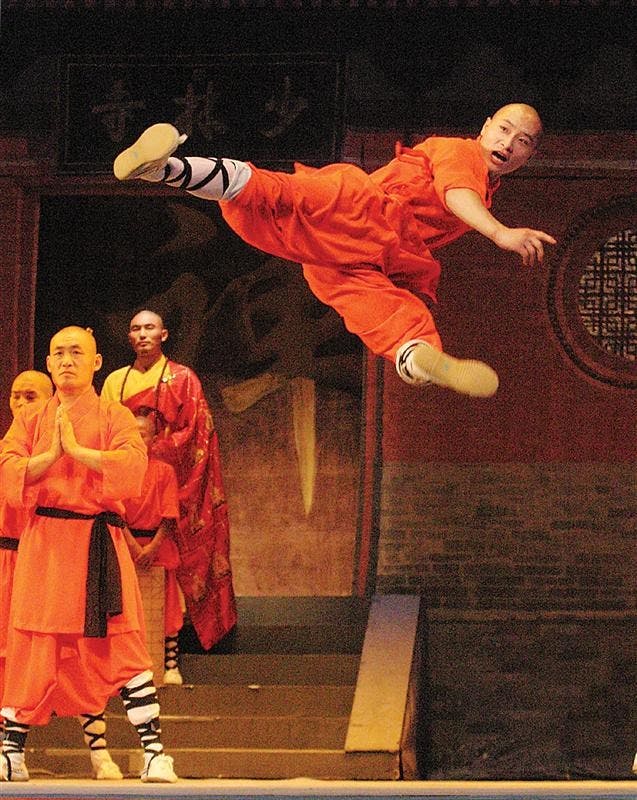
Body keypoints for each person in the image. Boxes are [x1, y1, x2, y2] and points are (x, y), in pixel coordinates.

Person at [113, 104, 557, 398]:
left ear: (528, 156)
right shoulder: (461, 153)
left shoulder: (486, 186)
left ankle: (422, 358)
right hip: (366, 213)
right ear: (484, 128)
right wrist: (499, 233)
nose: (508, 142)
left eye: (522, 141)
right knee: (280, 194)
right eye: (504, 129)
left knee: (390, 310)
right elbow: (457, 193)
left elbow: (454, 208)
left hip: (356, 256)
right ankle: (165, 167)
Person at [0, 327, 177, 783]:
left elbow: (133, 469)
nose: (66, 360)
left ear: (97, 362)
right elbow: (9, 472)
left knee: (122, 645)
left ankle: (155, 753)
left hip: (99, 544)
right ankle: (11, 752)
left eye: (77, 352)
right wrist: (51, 456)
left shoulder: (114, 415)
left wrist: (78, 451)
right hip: (45, 548)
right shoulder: (32, 418)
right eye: (58, 353)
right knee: (33, 647)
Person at [1, 371, 123, 780]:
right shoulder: (16, 452)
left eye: (30, 395)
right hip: (6, 564)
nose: (21, 403)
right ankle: (9, 752)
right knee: (13, 665)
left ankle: (100, 751)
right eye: (16, 395)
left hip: (46, 558)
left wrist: (60, 451)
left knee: (74, 655)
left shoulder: (61, 440)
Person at [101, 309, 236, 652]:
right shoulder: (115, 381)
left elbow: (196, 431)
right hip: (130, 488)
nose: (142, 334)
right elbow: (105, 433)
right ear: (128, 337)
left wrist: (152, 453)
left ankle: (173, 646)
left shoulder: (182, 378)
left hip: (174, 480)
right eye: (135, 328)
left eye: (150, 328)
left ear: (164, 335)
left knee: (178, 562)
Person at [123, 413, 184, 685]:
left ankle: (170, 664)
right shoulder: (119, 469)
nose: (138, 438)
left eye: (143, 433)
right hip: (126, 545)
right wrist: (134, 547)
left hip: (157, 545)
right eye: (132, 433)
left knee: (167, 607)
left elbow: (169, 516)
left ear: (154, 438)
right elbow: (115, 514)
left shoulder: (164, 471)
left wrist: (152, 547)